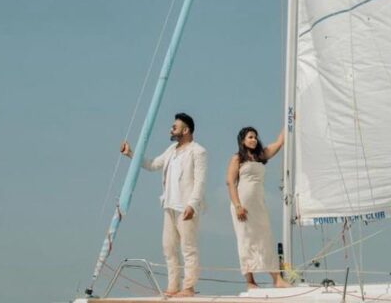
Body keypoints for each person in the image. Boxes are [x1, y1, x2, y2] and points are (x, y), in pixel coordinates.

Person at [120, 112, 207, 298]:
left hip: (186, 207)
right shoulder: (171, 150)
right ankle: (173, 286)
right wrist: (131, 154)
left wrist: (192, 204)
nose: (171, 129)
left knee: (188, 248)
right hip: (169, 206)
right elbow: (152, 164)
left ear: (186, 130)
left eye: (174, 127)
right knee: (168, 247)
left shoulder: (198, 151)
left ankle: (189, 287)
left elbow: (200, 181)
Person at [225, 127, 289, 289]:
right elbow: (230, 183)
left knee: (265, 236)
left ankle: (277, 279)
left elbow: (280, 142)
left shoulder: (260, 155)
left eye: (255, 137)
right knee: (245, 239)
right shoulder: (237, 158)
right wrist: (237, 205)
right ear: (242, 140)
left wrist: (289, 119)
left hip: (258, 204)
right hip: (242, 204)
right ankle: (250, 281)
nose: (253, 139)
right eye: (250, 137)